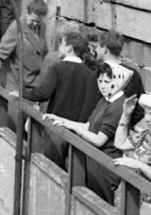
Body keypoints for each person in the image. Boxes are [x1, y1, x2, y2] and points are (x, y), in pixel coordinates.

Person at [49, 61, 132, 204]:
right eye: (100, 81)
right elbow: (88, 126)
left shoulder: (118, 106)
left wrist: (75, 129)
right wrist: (62, 120)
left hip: (104, 166)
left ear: (118, 81)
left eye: (107, 81)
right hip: (93, 163)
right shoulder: (105, 100)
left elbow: (99, 139)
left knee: (101, 206)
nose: (103, 86)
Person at [24, 29, 101, 165]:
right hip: (75, 130)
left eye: (61, 44)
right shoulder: (89, 74)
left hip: (55, 127)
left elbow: (44, 93)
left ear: (69, 48)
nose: (59, 47)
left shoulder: (57, 68)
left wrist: (23, 92)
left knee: (49, 165)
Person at [0, 0, 49, 94]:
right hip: (15, 80)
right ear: (27, 13)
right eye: (33, 20)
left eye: (38, 21)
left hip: (33, 80)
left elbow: (43, 50)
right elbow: (0, 53)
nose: (35, 24)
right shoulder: (17, 27)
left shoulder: (42, 26)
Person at [95, 31, 146, 127]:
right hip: (122, 131)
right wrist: (125, 123)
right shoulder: (133, 74)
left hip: (99, 131)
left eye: (98, 46)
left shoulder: (98, 74)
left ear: (105, 49)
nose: (96, 49)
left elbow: (91, 106)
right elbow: (140, 109)